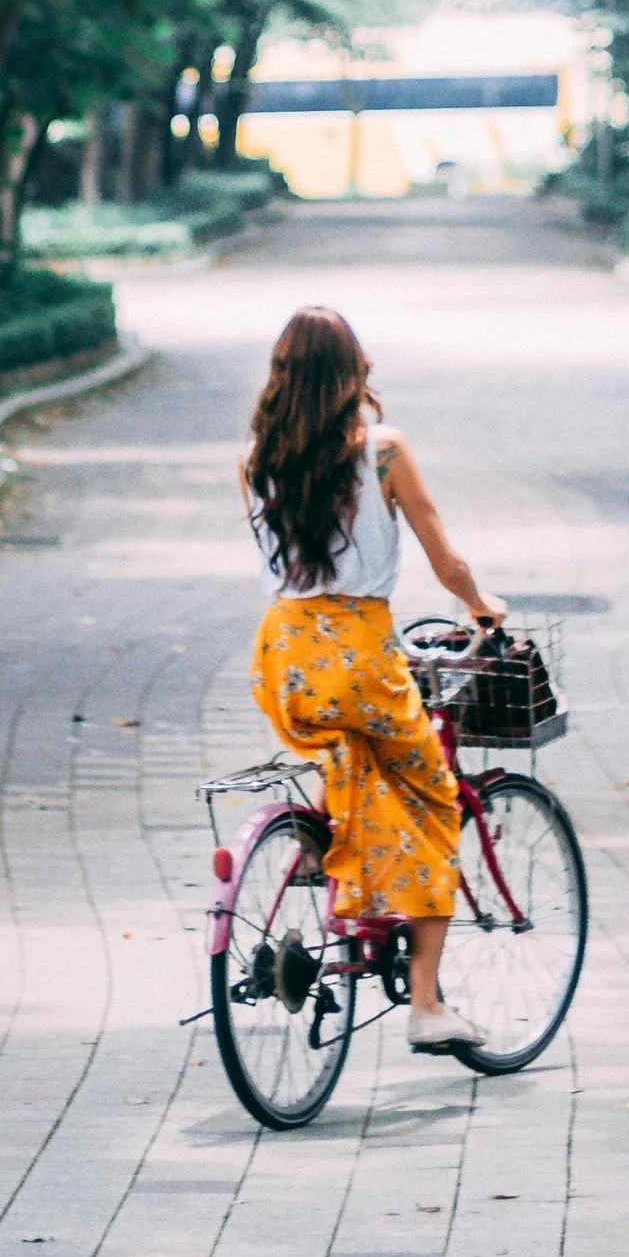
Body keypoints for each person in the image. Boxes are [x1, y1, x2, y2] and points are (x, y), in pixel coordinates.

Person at [242, 305, 506, 1055]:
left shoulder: (254, 460)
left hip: (283, 651)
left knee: (348, 759)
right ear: (355, 372)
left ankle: (322, 858)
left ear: (282, 374)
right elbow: (444, 559)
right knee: (435, 798)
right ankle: (426, 1003)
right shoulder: (382, 452)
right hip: (357, 648)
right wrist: (480, 605)